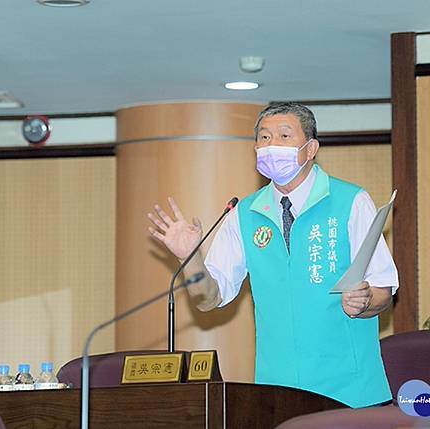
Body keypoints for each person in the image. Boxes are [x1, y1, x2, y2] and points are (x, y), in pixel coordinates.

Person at [147, 102, 398, 408]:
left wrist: (365, 301)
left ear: (310, 148)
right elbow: (209, 298)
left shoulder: (351, 201)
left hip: (351, 391)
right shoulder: (244, 214)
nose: (271, 145)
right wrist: (190, 258)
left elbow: (384, 288)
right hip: (276, 392)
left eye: (284, 136)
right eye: (264, 138)